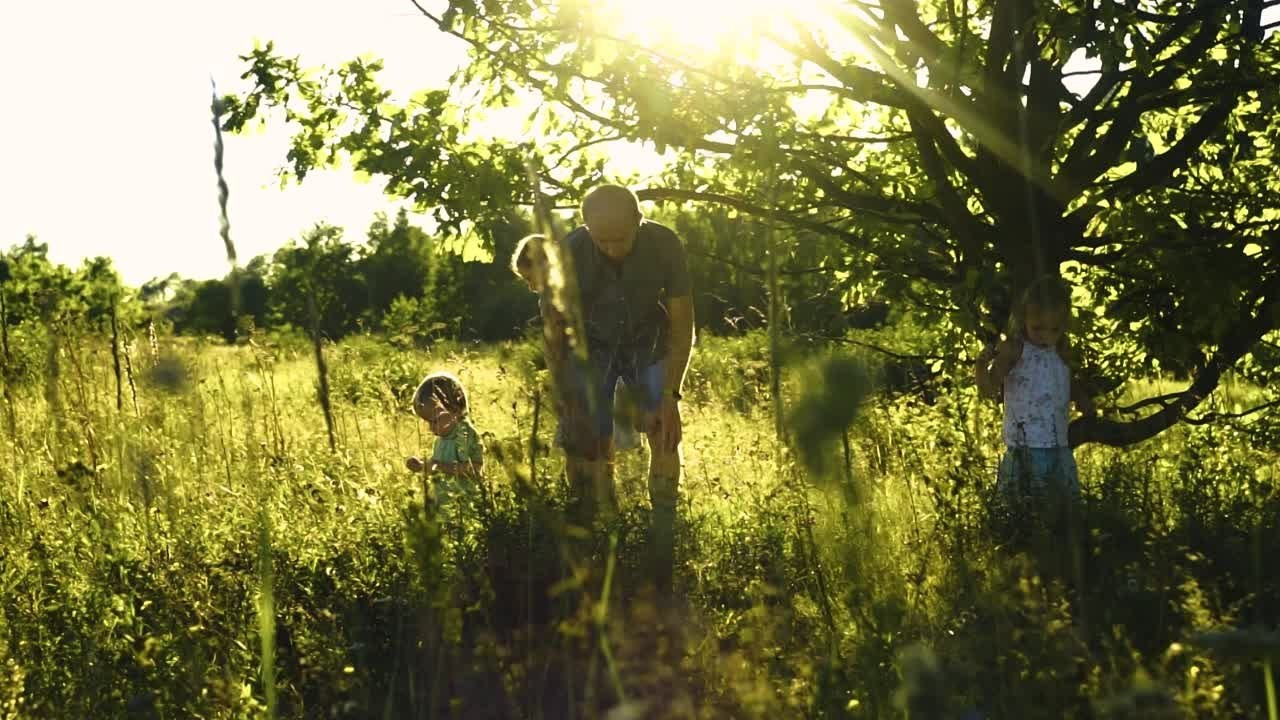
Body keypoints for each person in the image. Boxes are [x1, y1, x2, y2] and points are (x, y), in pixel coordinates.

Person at [521, 184, 695, 594]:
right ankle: (599, 531)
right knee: (585, 442)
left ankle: (664, 533)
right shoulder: (568, 255)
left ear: (640, 220)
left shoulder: (666, 244)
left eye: (622, 239)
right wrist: (569, 401)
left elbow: (682, 322)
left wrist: (670, 395)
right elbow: (554, 336)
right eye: (603, 241)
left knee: (664, 431)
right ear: (585, 227)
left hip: (648, 343)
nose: (614, 249)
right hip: (591, 349)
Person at [511, 234, 644, 454]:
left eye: (530, 279)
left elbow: (556, 348)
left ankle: (586, 487)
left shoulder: (552, 297)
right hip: (613, 371)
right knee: (607, 447)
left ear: (544, 265)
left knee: (583, 448)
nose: (531, 287)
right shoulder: (586, 283)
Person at [974, 275, 1096, 506]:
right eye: (1038, 328)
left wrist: (1082, 399)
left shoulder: (1060, 350)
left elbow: (1066, 381)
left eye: (1054, 329)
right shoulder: (1015, 349)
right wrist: (981, 365)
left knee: (1062, 509)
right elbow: (988, 390)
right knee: (1024, 509)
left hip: (1058, 446)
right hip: (1025, 448)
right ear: (1023, 319)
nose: (1046, 336)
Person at [405, 371, 485, 512]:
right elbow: (438, 467)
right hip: (445, 507)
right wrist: (423, 466)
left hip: (465, 508)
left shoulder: (464, 435)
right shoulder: (442, 440)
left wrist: (438, 466)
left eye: (435, 421)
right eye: (427, 422)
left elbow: (474, 470)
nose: (430, 428)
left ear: (454, 409)